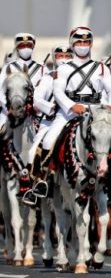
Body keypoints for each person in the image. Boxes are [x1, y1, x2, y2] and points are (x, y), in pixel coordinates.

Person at [31, 26, 111, 200]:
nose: (83, 45)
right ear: (73, 44)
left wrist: (110, 107)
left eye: (86, 42)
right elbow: (58, 91)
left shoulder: (101, 68)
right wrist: (71, 106)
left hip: (96, 112)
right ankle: (45, 180)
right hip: (69, 113)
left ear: (91, 44)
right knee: (48, 141)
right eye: (79, 42)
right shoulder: (63, 69)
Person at [22, 45, 72, 206]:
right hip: (50, 122)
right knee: (32, 152)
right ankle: (37, 185)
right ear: (54, 57)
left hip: (73, 119)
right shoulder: (48, 77)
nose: (63, 58)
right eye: (60, 55)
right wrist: (50, 108)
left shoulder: (77, 77)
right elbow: (37, 99)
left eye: (67, 55)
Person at [0, 33, 46, 133]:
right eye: (22, 46)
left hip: (36, 113)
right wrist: (9, 108)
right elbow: (0, 91)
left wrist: (38, 107)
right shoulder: (8, 67)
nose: (25, 48)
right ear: (17, 48)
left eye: (28, 46)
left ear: (33, 47)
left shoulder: (42, 69)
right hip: (10, 112)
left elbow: (48, 92)